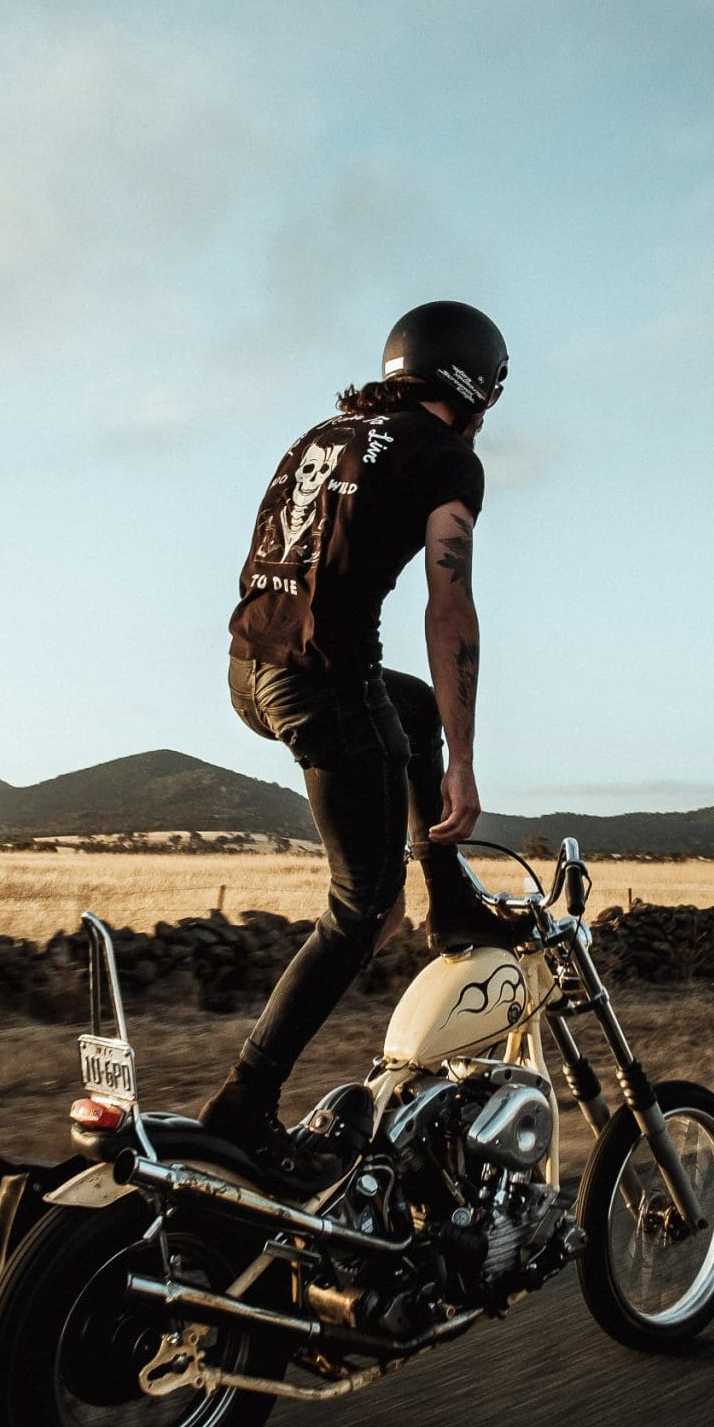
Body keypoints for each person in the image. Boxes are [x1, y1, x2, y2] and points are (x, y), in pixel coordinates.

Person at [199, 299, 515, 1189]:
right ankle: (242, 1108)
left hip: (246, 673)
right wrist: (462, 756)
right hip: (321, 683)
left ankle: (449, 902)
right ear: (477, 384)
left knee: (404, 710)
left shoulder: (322, 432)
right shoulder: (448, 457)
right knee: (360, 905)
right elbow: (447, 605)